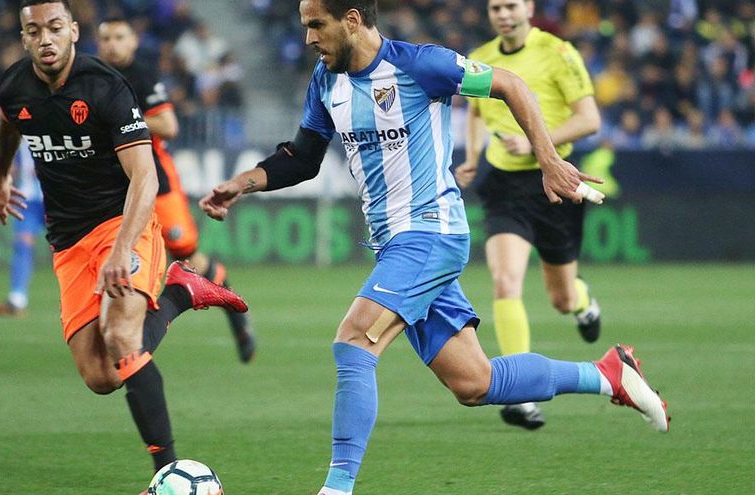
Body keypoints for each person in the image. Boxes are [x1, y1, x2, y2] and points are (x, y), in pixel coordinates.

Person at [199, 2, 669, 494]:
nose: (309, 37)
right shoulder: (326, 81)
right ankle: (608, 374)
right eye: (305, 26)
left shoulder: (422, 65)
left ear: (352, 20)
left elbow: (511, 85)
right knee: (475, 383)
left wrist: (547, 158)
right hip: (396, 248)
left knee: (354, 342)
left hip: (429, 235)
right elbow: (302, 157)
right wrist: (244, 183)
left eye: (317, 25)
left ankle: (336, 489)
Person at [0, 0, 248, 487]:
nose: (45, 39)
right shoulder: (15, 86)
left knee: (124, 339)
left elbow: (145, 178)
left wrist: (120, 246)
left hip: (124, 221)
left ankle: (166, 474)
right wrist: (1, 178)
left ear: (72, 31)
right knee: (101, 377)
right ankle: (181, 292)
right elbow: (7, 125)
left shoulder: (105, 86)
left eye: (54, 28)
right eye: (33, 31)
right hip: (69, 241)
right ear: (24, 38)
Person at [453, 0, 603, 430]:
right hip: (503, 186)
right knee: (505, 280)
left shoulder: (558, 52)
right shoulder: (481, 58)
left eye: (510, 6)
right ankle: (519, 395)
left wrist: (539, 143)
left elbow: (589, 119)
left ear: (529, 8)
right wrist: (473, 155)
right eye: (495, 7)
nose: (503, 14)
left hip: (555, 181)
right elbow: (477, 112)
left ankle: (582, 302)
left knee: (560, 297)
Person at [96, 17, 256, 363]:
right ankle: (122, 334)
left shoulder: (140, 75)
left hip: (157, 181)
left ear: (133, 42)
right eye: (106, 37)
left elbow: (168, 125)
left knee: (187, 253)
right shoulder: (93, 78)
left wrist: (117, 117)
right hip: (117, 184)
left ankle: (234, 311)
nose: (112, 44)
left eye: (120, 36)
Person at [0, 142, 45, 317]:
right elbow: (14, 163)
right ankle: (17, 299)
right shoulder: (21, 131)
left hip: (55, 197)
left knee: (72, 246)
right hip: (27, 199)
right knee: (22, 244)